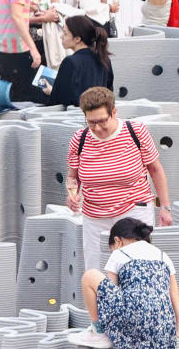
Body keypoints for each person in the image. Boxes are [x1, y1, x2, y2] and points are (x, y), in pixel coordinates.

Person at [66, 86, 173, 271]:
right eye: (91, 122)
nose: (97, 128)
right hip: (95, 215)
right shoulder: (79, 139)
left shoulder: (136, 131)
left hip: (133, 209)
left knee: (137, 268)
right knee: (96, 270)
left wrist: (165, 207)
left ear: (114, 112)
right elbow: (73, 177)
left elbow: (155, 170)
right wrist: (72, 195)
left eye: (102, 121)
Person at [69, 218, 179, 349]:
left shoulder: (119, 253)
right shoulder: (163, 256)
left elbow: (109, 295)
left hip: (133, 315)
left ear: (117, 241)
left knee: (90, 276)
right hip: (163, 324)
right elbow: (174, 293)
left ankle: (98, 330)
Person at [43, 15, 114, 107]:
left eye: (65, 33)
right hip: (98, 113)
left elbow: (61, 100)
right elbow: (108, 92)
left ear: (77, 39)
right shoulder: (104, 59)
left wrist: (50, 91)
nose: (61, 37)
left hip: (75, 115)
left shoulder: (70, 62)